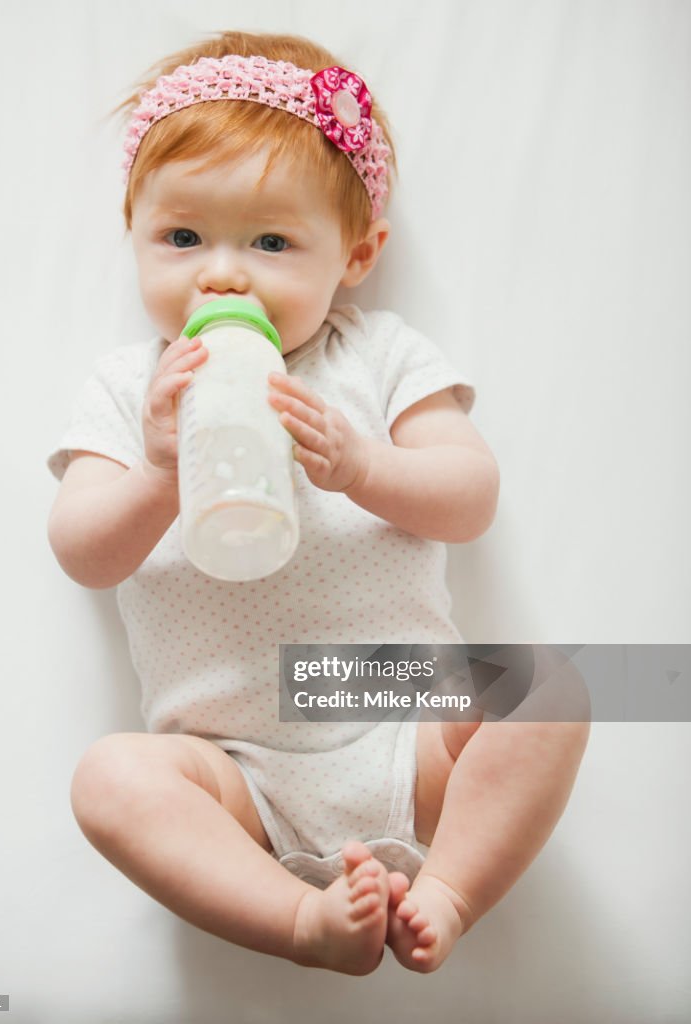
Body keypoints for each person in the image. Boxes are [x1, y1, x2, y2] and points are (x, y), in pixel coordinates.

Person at [47, 30, 589, 976]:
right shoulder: (129, 388)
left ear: (356, 253)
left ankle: (447, 891)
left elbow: (470, 497)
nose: (221, 273)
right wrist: (162, 473)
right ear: (132, 230)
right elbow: (83, 552)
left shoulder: (376, 357)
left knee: (551, 684)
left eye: (270, 241)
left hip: (389, 713)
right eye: (182, 238)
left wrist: (362, 467)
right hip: (229, 762)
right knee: (108, 778)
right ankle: (299, 922)